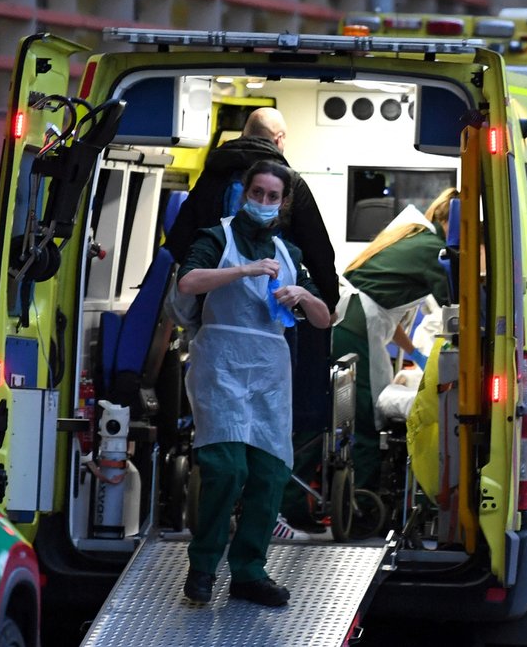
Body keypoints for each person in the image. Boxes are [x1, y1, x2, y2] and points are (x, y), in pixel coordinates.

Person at [177, 160, 332, 608]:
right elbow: (189, 281)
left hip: (267, 374)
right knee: (228, 469)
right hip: (222, 366)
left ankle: (248, 571)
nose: (263, 202)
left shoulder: (289, 254)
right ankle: (203, 566)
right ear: (244, 193)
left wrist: (302, 294)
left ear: (284, 204)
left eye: (272, 196)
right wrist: (243, 271)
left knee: (270, 473)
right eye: (257, 192)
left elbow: (323, 318)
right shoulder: (216, 237)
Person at [283, 188, 457, 527]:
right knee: (362, 419)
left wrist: (414, 354)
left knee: (328, 414)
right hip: (357, 325)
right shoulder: (433, 250)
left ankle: (299, 503)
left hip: (350, 321)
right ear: (449, 220)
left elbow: (387, 311)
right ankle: (358, 509)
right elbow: (455, 303)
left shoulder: (414, 236)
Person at [163, 107, 339, 310]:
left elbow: (180, 239)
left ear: (243, 135)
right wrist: (329, 301)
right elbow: (317, 249)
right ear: (279, 139)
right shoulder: (289, 182)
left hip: (212, 297)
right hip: (271, 299)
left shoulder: (212, 175)